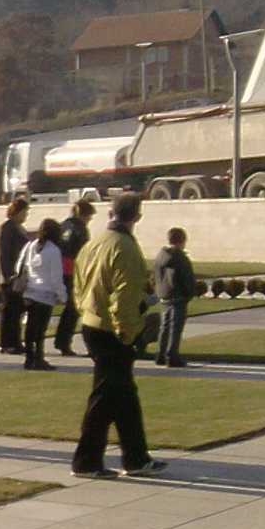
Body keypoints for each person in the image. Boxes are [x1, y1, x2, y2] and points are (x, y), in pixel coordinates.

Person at [70, 192, 168, 479]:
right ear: (137, 216)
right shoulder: (125, 248)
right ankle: (86, 461)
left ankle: (136, 457)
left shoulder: (94, 243)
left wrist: (87, 311)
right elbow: (124, 299)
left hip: (92, 322)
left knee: (124, 395)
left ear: (111, 213)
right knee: (106, 397)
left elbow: (78, 285)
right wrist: (128, 334)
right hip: (112, 330)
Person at [16, 218, 66, 370]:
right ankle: (38, 358)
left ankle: (29, 358)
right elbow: (56, 277)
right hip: (46, 293)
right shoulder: (53, 250)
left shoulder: (30, 246)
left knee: (30, 328)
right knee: (40, 329)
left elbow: (19, 266)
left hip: (30, 291)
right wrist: (62, 295)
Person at [54, 199, 95, 356]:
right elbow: (84, 253)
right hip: (74, 272)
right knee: (74, 309)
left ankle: (61, 341)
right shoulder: (80, 229)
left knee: (69, 308)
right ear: (84, 215)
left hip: (61, 270)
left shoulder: (64, 226)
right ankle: (64, 342)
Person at [152, 227, 195, 367]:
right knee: (175, 328)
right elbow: (187, 278)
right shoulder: (180, 258)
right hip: (178, 295)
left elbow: (154, 277)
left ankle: (161, 354)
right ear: (183, 241)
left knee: (165, 326)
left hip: (164, 294)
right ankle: (172, 356)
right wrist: (189, 293)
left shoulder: (160, 257)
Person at [0, 197, 31, 355]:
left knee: (17, 309)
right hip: (9, 276)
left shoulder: (19, 228)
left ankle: (15, 341)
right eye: (24, 212)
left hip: (18, 274)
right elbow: (3, 253)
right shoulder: (7, 228)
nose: (26, 215)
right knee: (10, 309)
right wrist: (9, 275)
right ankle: (6, 343)